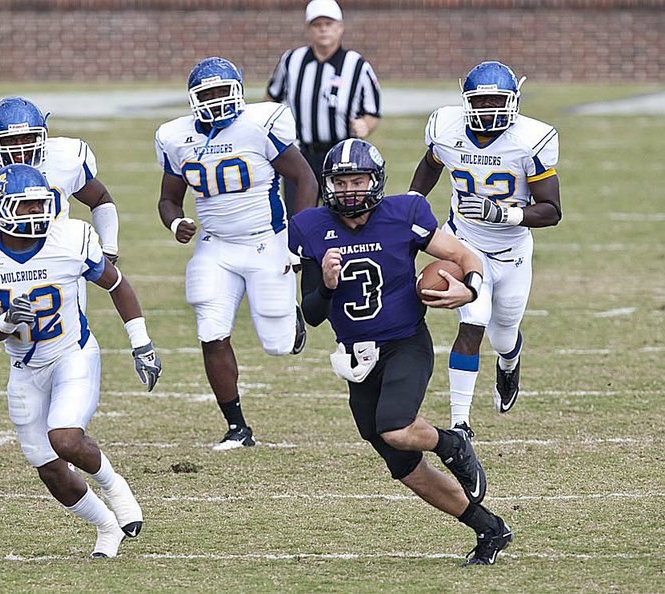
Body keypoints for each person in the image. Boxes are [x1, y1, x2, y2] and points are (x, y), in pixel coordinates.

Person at [289, 138, 513, 566]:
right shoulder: (310, 227)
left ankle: (453, 444)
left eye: (358, 180)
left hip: (405, 341)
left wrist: (469, 288)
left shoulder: (404, 213)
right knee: (405, 467)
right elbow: (313, 313)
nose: (350, 190)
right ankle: (489, 528)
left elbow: (464, 255)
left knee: (395, 426)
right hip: (357, 358)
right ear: (327, 184)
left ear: (376, 181)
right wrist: (328, 284)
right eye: (342, 181)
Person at [0, 164, 162, 558]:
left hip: (72, 353)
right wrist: (5, 320)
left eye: (40, 205)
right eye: (25, 206)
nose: (37, 214)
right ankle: (105, 527)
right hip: (24, 367)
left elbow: (116, 284)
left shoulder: (71, 237)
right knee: (47, 466)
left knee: (64, 437)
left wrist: (141, 342)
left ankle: (116, 487)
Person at [155, 56, 317, 451]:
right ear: (193, 99)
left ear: (239, 93)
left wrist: (299, 236)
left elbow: (305, 178)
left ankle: (291, 317)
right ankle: (237, 427)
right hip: (215, 246)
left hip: (267, 241)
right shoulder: (176, 138)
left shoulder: (258, 125)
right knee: (211, 331)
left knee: (278, 346)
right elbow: (168, 199)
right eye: (206, 94)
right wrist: (176, 223)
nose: (215, 101)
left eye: (222, 92)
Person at [408, 61, 562, 434]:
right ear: (466, 102)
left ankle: (509, 363)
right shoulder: (446, 128)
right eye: (481, 102)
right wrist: (412, 200)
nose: (489, 109)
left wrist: (501, 213)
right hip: (463, 245)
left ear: (514, 102)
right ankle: (460, 422)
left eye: (497, 101)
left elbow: (552, 211)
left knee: (504, 333)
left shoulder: (530, 139)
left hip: (511, 252)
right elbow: (432, 163)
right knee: (472, 323)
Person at [0, 96, 121, 264]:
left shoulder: (66, 159)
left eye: (27, 138)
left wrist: (109, 249)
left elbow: (100, 199)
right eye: (10, 140)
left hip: (58, 256)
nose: (20, 148)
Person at [266, 0, 381, 217]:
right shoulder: (291, 60)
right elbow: (271, 99)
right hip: (300, 152)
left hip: (342, 155)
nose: (323, 29)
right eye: (317, 24)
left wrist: (365, 126)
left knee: (343, 217)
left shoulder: (357, 65)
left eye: (329, 23)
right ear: (309, 29)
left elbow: (372, 112)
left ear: (340, 27)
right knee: (298, 218)